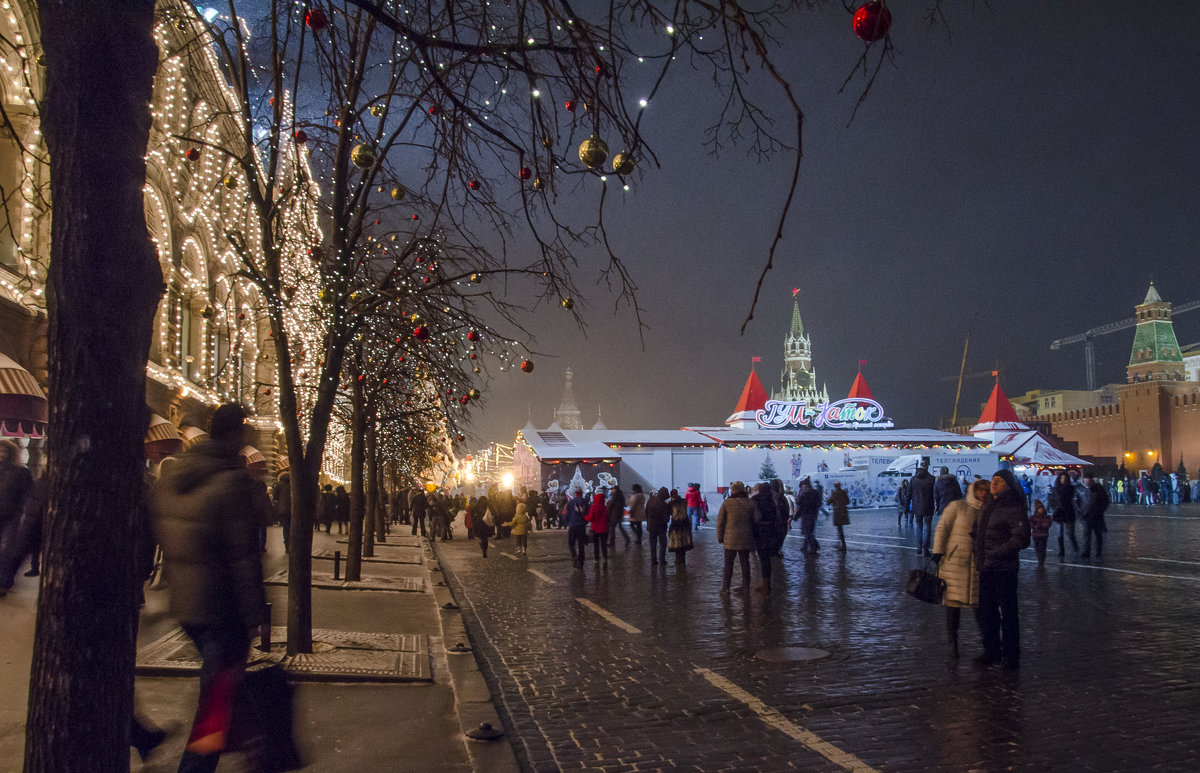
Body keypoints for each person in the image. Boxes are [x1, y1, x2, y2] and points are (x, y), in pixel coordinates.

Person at [152, 404, 269, 773]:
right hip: (224, 609)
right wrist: (256, 614)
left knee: (224, 690)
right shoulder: (231, 481)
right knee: (216, 704)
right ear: (235, 436)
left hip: (188, 604)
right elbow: (243, 558)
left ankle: (258, 752)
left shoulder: (177, 474)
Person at [972, 469, 1031, 669]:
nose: (994, 483)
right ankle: (991, 650)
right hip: (986, 566)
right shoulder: (989, 504)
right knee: (986, 611)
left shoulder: (1012, 506)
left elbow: (1021, 538)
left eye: (999, 480)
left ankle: (1011, 654)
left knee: (1008, 612)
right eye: (993, 479)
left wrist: (997, 552)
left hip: (1004, 568)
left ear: (1008, 484)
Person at [932, 478, 988, 659]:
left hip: (978, 565)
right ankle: (952, 643)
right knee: (952, 607)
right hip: (954, 564)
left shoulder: (988, 511)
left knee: (980, 607)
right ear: (973, 490)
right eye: (980, 490)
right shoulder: (958, 507)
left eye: (986, 490)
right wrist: (938, 551)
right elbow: (942, 528)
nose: (983, 493)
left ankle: (987, 643)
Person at [716, 481, 758, 594]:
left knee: (728, 564)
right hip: (745, 538)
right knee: (745, 562)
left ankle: (726, 587)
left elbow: (720, 522)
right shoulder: (750, 503)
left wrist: (720, 537)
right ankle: (745, 586)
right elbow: (756, 520)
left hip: (730, 539)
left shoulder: (727, 503)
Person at [750, 483, 778, 593]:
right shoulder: (772, 500)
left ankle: (764, 584)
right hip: (770, 531)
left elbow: (753, 516)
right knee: (766, 559)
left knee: (762, 557)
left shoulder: (755, 499)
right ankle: (766, 582)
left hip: (759, 531)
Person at [1080, 472, 1110, 558]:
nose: (1087, 481)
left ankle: (1098, 551)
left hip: (1097, 516)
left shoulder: (1099, 488)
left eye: (1088, 479)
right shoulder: (1081, 488)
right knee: (1086, 534)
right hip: (1086, 516)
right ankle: (1086, 551)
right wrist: (1080, 512)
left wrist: (1100, 511)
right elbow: (1077, 501)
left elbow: (1105, 501)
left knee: (1098, 534)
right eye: (1085, 479)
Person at [910, 462, 936, 556]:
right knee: (927, 527)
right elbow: (934, 493)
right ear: (927, 467)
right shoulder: (932, 478)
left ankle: (918, 548)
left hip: (917, 507)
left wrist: (906, 507)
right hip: (928, 506)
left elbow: (909, 493)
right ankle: (925, 549)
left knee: (919, 527)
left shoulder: (913, 479)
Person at [1051, 471, 1079, 556]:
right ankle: (1061, 550)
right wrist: (1053, 507)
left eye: (1064, 478)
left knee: (1070, 533)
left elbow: (1074, 499)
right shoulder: (1055, 489)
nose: (1063, 480)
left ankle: (1075, 547)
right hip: (1059, 512)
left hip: (1068, 511)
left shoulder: (1071, 488)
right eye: (1061, 478)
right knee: (1059, 532)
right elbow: (1052, 500)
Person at [794, 477, 821, 554]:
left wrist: (796, 516)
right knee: (809, 531)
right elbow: (818, 504)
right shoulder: (815, 493)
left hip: (806, 515)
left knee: (807, 532)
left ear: (805, 485)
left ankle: (814, 547)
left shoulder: (805, 494)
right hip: (813, 515)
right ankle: (805, 547)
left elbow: (801, 506)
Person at [563, 488, 589, 566]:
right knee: (581, 544)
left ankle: (574, 556)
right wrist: (585, 522)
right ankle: (581, 561)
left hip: (573, 525)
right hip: (581, 526)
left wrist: (566, 522)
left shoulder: (570, 502)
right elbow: (589, 513)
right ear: (582, 494)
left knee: (571, 543)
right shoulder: (585, 503)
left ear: (575, 494)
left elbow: (564, 513)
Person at [666, 488, 693, 565]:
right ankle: (683, 561)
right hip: (685, 524)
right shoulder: (684, 501)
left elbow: (670, 513)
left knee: (677, 544)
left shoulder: (671, 503)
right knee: (684, 543)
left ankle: (678, 561)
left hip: (676, 525)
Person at [645, 486, 670, 565]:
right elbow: (666, 519)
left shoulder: (650, 501)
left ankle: (653, 560)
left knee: (653, 544)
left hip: (651, 526)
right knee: (663, 543)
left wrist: (648, 521)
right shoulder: (664, 505)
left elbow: (646, 512)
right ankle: (662, 559)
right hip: (661, 527)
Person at [586, 491, 609, 566]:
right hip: (604, 529)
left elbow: (590, 518)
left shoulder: (593, 507)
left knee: (596, 545)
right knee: (604, 545)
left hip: (595, 529)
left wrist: (585, 517)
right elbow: (608, 518)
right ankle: (605, 558)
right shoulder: (605, 508)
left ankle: (597, 560)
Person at [827, 481, 850, 552]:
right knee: (840, 529)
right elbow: (848, 502)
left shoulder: (834, 493)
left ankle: (843, 545)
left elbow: (828, 502)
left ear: (835, 486)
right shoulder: (843, 492)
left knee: (840, 529)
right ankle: (841, 544)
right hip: (844, 512)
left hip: (838, 513)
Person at [272, 470, 292, 553]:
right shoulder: (294, 483)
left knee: (286, 528)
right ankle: (293, 545)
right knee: (294, 528)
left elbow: (275, 497)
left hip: (283, 510)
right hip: (294, 509)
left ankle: (287, 546)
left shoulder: (279, 484)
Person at [1030, 499, 1053, 566]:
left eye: (1041, 508)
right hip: (1035, 535)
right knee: (1037, 547)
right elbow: (1031, 524)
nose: (1040, 510)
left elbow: (1047, 524)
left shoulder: (1047, 517)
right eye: (1039, 508)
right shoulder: (1033, 517)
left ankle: (1041, 561)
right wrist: (1035, 526)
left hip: (1043, 535)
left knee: (1042, 548)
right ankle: (1040, 559)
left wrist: (1039, 526)